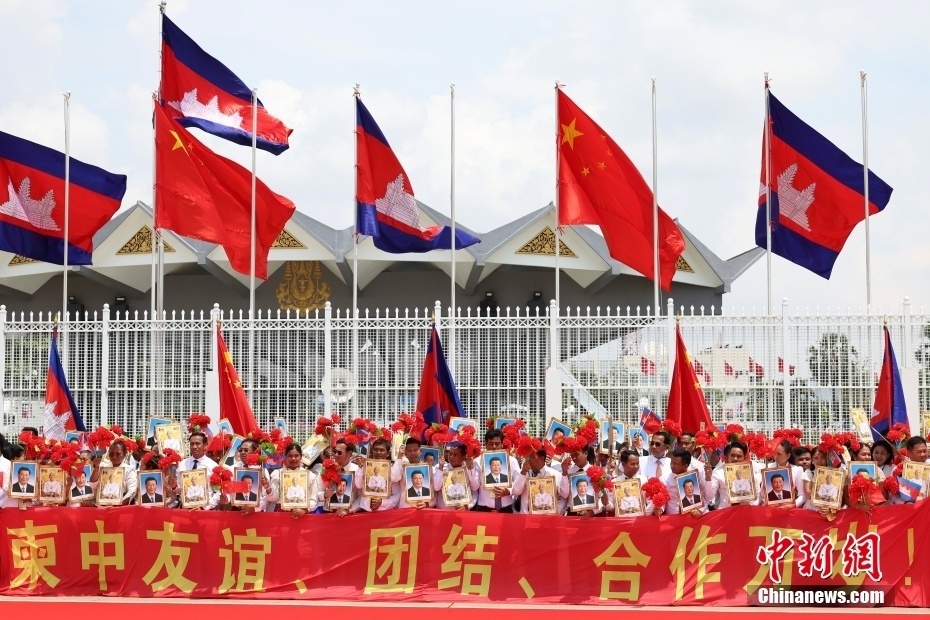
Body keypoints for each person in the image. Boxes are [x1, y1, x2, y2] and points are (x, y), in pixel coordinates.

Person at [268, 443, 322, 516]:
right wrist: (268, 488)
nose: (293, 458)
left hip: (302, 515)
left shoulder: (309, 476)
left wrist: (304, 510)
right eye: (290, 456)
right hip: (281, 514)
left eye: (296, 456)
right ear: (286, 457)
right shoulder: (278, 474)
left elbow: (313, 499)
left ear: (301, 457)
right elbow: (274, 498)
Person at [169, 431, 220, 510]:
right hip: (184, 509)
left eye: (197, 443)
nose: (194, 446)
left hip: (204, 511)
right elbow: (179, 488)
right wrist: (174, 486)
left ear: (205, 445)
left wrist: (204, 507)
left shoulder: (213, 466)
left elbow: (218, 492)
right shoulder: (182, 464)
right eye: (192, 444)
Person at [474, 429, 519, 513]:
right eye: (491, 444)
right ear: (486, 444)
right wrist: (470, 468)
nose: (494, 447)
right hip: (484, 509)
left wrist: (509, 491)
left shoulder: (512, 461)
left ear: (502, 444)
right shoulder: (477, 461)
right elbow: (474, 487)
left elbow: (518, 483)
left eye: (497, 444)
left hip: (506, 509)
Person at [511, 446, 563, 514]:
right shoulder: (523, 472)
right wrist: (523, 473)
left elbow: (562, 497)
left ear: (541, 459)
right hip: (525, 516)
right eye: (527, 457)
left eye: (531, 457)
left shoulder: (555, 475)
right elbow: (516, 491)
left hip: (546, 517)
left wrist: (557, 510)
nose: (528, 460)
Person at [353, 438, 397, 513]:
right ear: (372, 451)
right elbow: (359, 485)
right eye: (376, 449)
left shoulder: (392, 470)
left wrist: (382, 502)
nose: (378, 452)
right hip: (365, 511)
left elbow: (397, 495)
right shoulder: (365, 467)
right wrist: (360, 467)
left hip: (384, 513)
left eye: (382, 450)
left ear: (388, 453)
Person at [433, 442, 480, 510]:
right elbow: (436, 488)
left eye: (455, 455)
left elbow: (474, 489)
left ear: (463, 457)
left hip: (461, 511)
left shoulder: (469, 468)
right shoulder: (440, 467)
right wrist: (440, 468)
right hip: (443, 511)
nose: (451, 457)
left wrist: (467, 506)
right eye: (450, 453)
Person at [761, 440, 808, 508]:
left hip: (789, 509)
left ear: (788, 456)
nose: (776, 456)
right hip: (770, 509)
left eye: (779, 454)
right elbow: (762, 494)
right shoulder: (768, 468)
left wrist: (793, 505)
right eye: (774, 453)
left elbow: (803, 495)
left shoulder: (797, 470)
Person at [708, 442, 750, 510]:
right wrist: (708, 479)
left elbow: (757, 495)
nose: (735, 459)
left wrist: (750, 503)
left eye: (739, 456)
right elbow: (710, 496)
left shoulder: (750, 472)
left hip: (745, 511)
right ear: (727, 456)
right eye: (732, 455)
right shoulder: (718, 472)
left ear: (744, 458)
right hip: (725, 512)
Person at [665, 449, 706, 515]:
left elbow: (704, 497)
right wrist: (660, 508)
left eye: (676, 463)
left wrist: (700, 510)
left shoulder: (694, 477)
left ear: (685, 466)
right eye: (671, 462)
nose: (672, 465)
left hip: (691, 517)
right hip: (672, 517)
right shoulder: (666, 478)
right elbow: (664, 499)